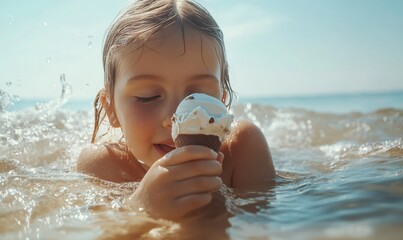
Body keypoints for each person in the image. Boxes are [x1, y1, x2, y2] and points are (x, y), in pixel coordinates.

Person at [77, 0, 275, 221]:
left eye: (198, 96)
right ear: (111, 108)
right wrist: (140, 207)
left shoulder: (241, 150)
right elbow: (106, 232)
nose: (175, 118)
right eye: (147, 97)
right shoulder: (105, 166)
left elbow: (264, 226)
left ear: (221, 101)